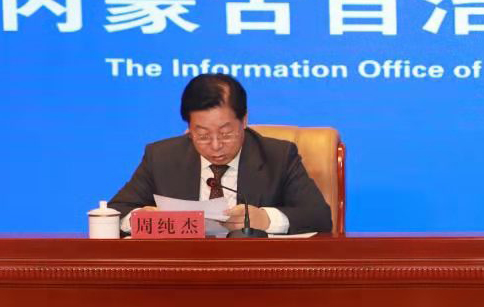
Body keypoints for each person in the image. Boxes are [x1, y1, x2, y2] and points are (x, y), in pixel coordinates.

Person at [109, 74, 332, 235]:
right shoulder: (161, 157)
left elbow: (319, 217)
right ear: (189, 128)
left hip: (253, 273)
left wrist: (265, 219)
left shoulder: (278, 156)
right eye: (203, 135)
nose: (216, 146)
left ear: (244, 120)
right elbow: (115, 212)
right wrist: (141, 219)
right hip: (183, 272)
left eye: (226, 134)